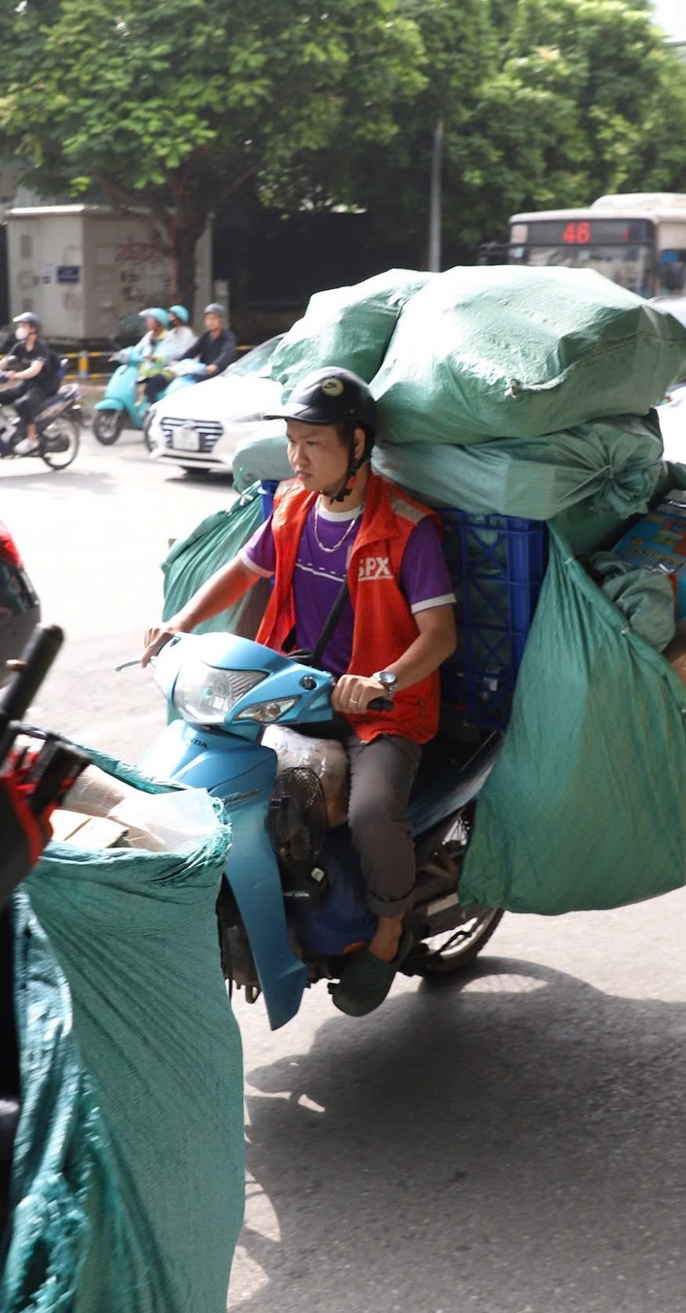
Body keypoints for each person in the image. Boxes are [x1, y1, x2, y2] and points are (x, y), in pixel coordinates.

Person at [141, 367, 459, 1015]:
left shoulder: (406, 527)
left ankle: (388, 934)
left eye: (313, 442)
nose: (297, 456)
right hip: (292, 690)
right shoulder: (291, 506)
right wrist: (180, 624)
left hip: (379, 710)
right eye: (292, 440)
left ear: (358, 446)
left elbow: (440, 635)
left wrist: (382, 681)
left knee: (371, 814)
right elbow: (242, 572)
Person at [0, 311, 63, 455]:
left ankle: (32, 440)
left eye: (23, 325)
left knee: (23, 403)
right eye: (20, 325)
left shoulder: (40, 348)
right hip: (28, 384)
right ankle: (7, 432)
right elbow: (5, 361)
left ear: (33, 329)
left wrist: (15, 375)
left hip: (44, 386)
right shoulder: (20, 347)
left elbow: (35, 369)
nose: (20, 329)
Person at [191, 302, 239, 378]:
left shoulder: (228, 336)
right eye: (208, 319)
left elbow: (227, 353)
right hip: (206, 373)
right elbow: (192, 350)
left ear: (221, 320)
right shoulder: (205, 335)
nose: (210, 322)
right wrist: (178, 361)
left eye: (213, 319)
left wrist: (216, 365)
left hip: (224, 375)